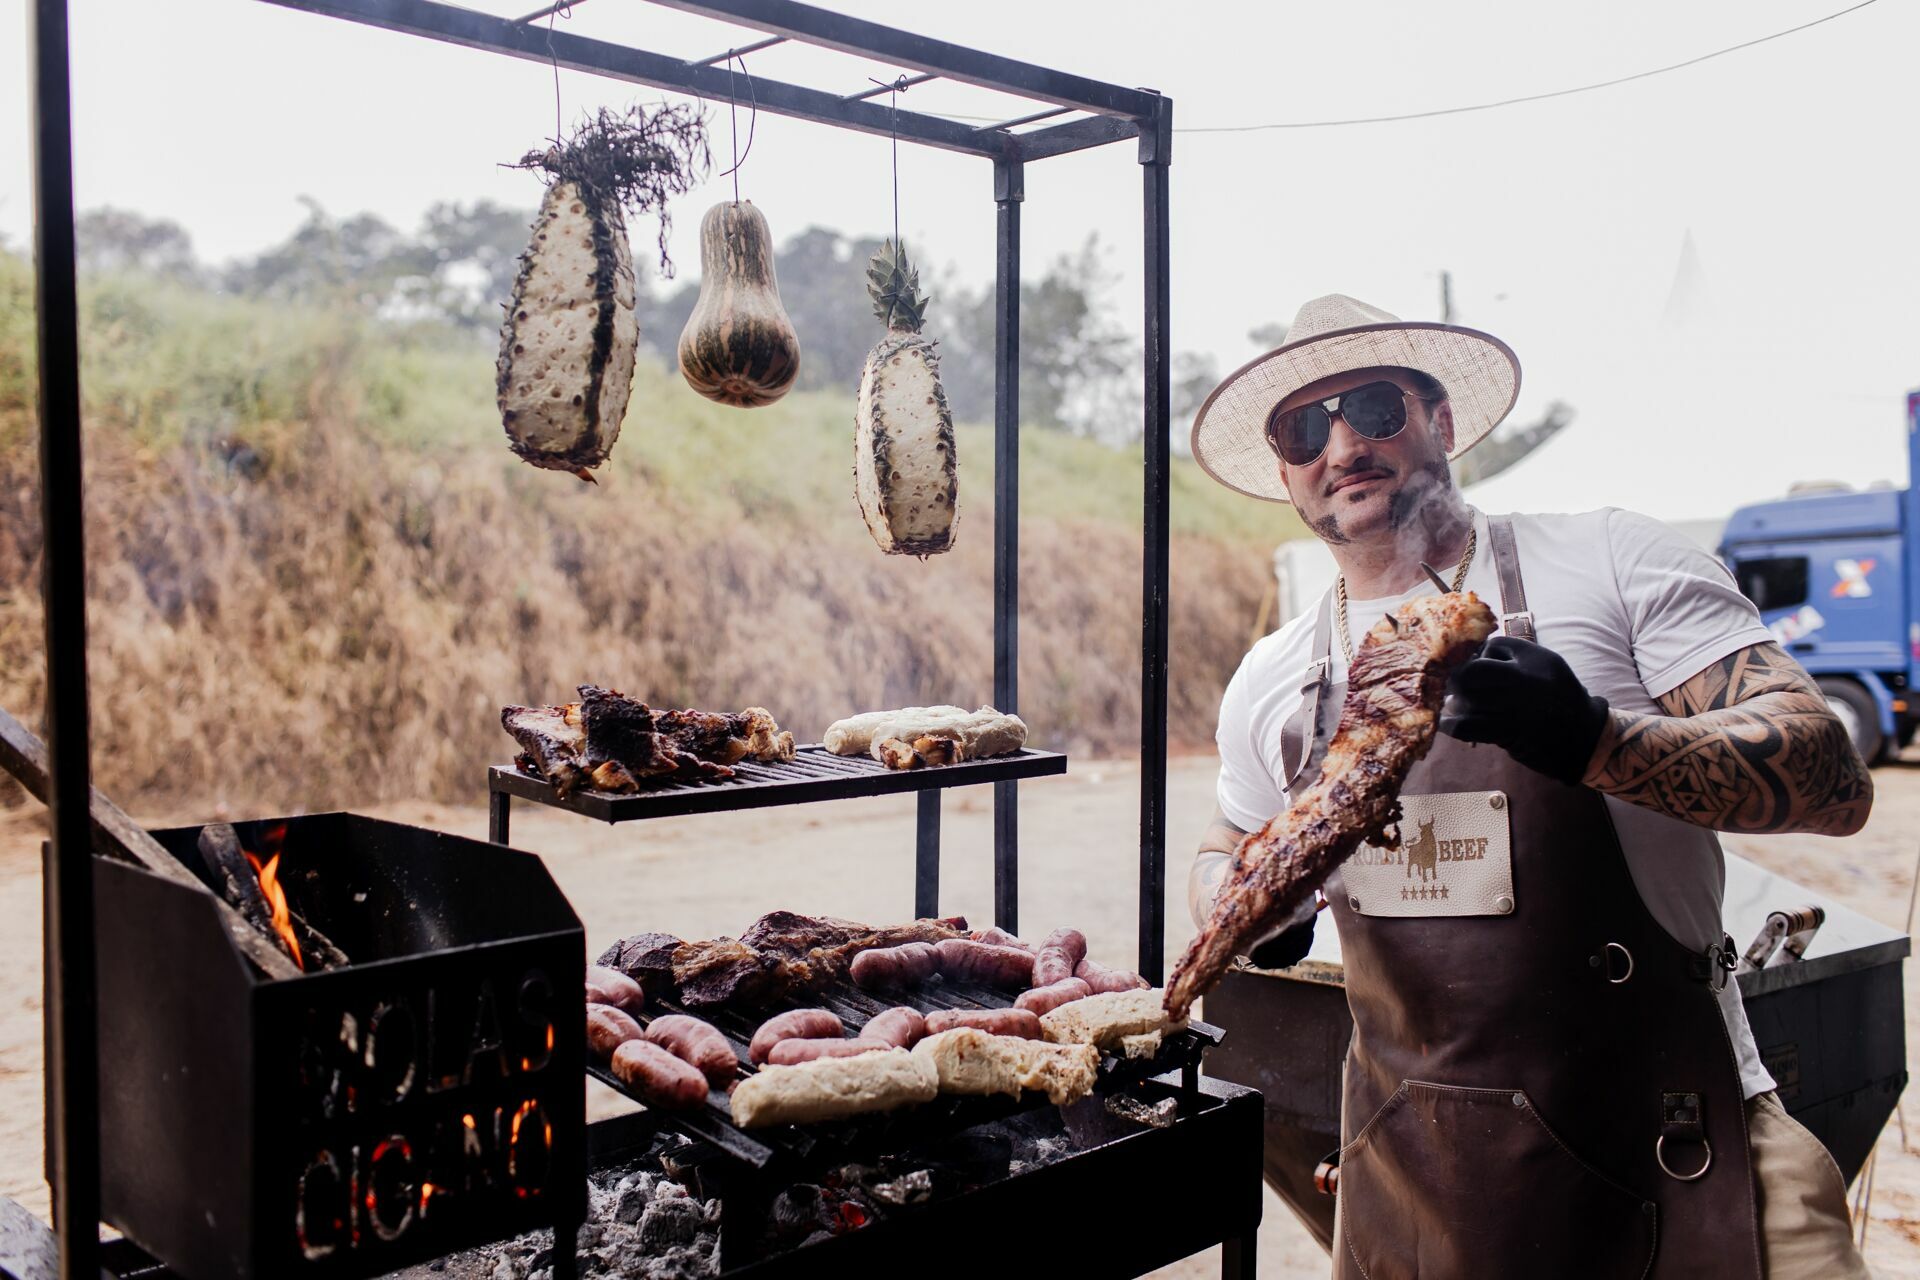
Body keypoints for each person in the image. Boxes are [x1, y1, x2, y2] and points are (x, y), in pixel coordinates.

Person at [1185, 294, 1875, 1279]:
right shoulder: (1275, 677)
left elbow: (1832, 776)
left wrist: (1596, 737)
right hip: (1415, 1188)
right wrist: (1242, 905)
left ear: (1443, 419)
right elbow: (1224, 841)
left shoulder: (1610, 558)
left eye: (1374, 407)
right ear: (1285, 468)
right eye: (1304, 426)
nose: (1342, 444)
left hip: (1676, 1143)